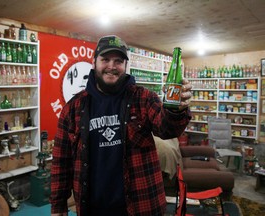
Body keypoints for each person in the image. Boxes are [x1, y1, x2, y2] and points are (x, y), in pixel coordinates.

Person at [50, 35, 192, 216]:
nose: (111, 66)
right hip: (92, 208)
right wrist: (58, 205)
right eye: (105, 59)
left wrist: (176, 110)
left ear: (125, 66)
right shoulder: (73, 108)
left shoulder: (143, 98)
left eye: (118, 61)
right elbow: (61, 161)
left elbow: (167, 129)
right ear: (94, 62)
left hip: (141, 206)